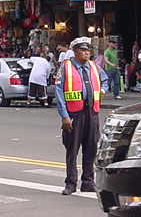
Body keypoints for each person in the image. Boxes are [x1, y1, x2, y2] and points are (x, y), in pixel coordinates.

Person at [55, 37, 108, 196]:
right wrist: (64, 116)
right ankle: (71, 183)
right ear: (75, 51)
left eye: (88, 50)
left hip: (92, 113)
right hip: (74, 114)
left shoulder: (94, 66)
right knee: (72, 149)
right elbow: (59, 92)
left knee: (91, 148)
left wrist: (103, 90)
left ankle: (88, 182)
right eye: (83, 50)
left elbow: (105, 80)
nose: (86, 53)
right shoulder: (65, 67)